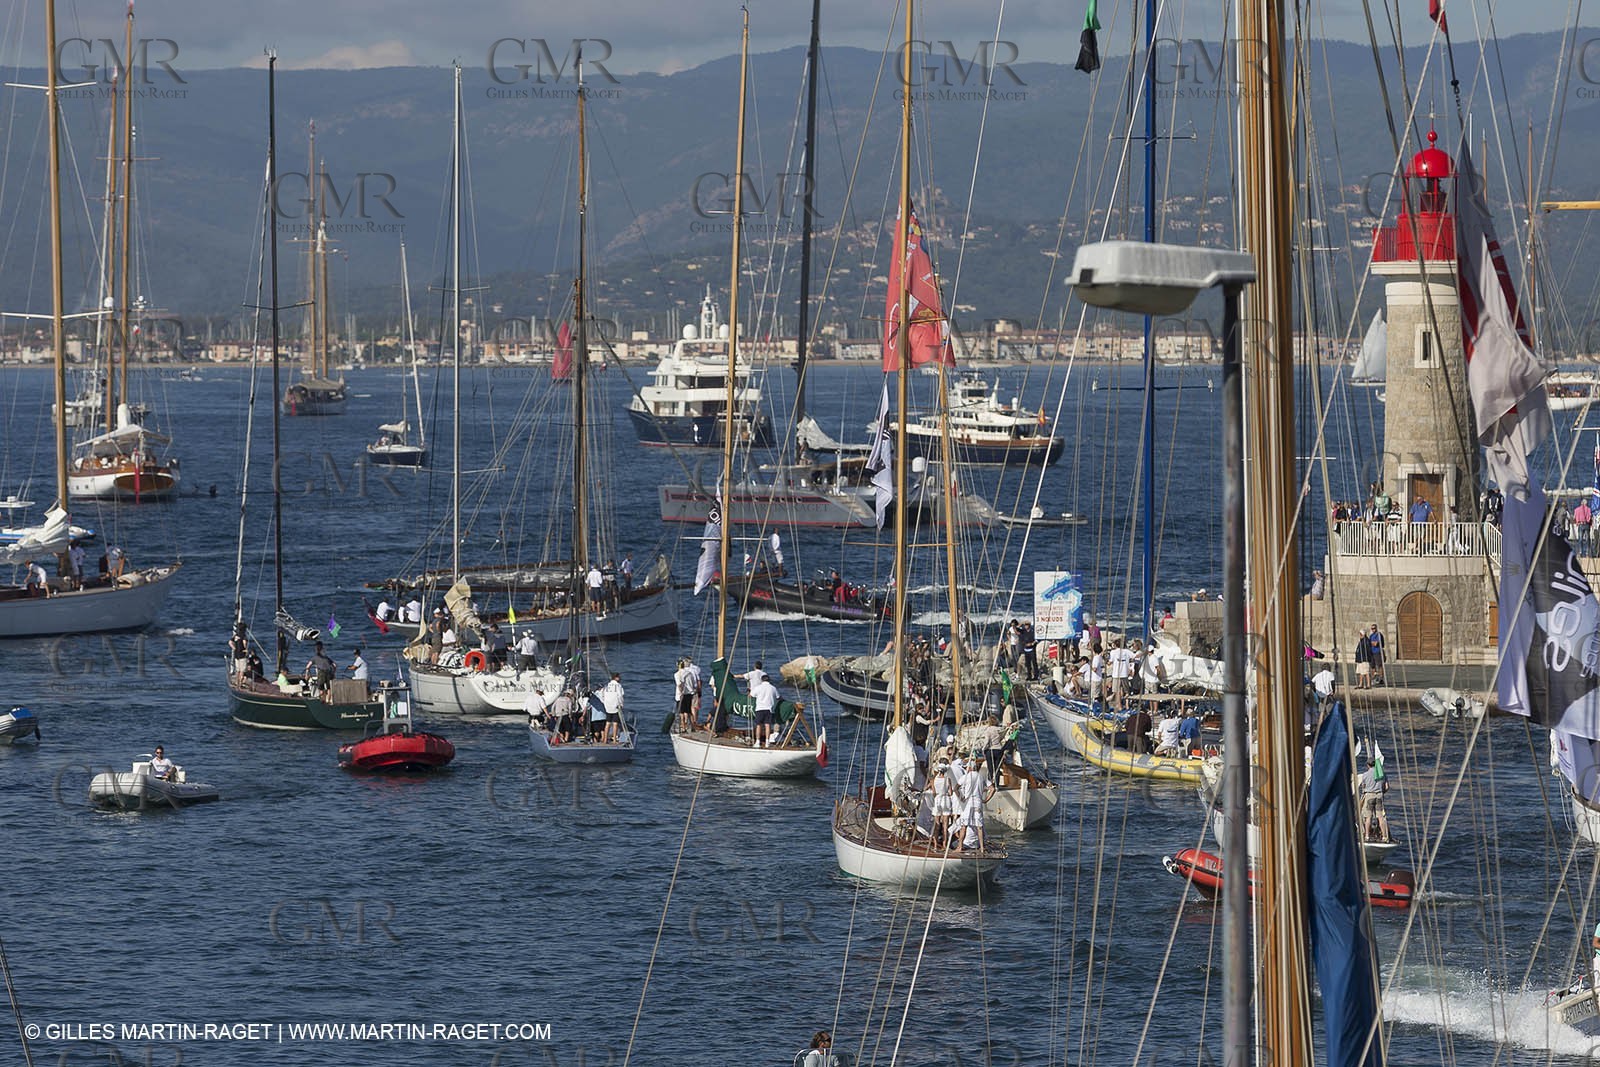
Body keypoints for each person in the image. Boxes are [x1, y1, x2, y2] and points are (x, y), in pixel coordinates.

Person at [1357, 757, 1389, 842]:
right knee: (1380, 817)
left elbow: (1363, 787)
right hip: (1379, 795)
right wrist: (1382, 792)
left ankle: (1367, 836)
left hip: (1369, 796)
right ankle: (1384, 837)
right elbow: (1386, 787)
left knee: (1368, 817)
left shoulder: (1365, 775)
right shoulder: (1382, 774)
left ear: (1368, 765)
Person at [751, 671, 781, 747]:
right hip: (769, 709)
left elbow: (751, 695)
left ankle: (757, 742)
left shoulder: (758, 687)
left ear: (762, 680)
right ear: (769, 680)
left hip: (760, 709)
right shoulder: (773, 688)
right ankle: (767, 742)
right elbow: (778, 697)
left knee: (758, 725)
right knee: (768, 725)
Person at [600, 672, 625, 744]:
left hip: (608, 706)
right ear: (616, 678)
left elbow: (602, 695)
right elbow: (620, 696)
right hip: (615, 706)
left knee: (607, 723)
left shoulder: (606, 686)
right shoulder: (618, 686)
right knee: (615, 723)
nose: (620, 678)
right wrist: (621, 704)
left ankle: (605, 739)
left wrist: (605, 702)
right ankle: (614, 740)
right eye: (619, 677)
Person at [673, 658, 697, 732]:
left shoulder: (677, 674)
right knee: (689, 711)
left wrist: (681, 692)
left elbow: (679, 684)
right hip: (690, 694)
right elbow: (694, 683)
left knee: (682, 712)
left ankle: (683, 727)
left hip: (681, 695)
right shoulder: (690, 673)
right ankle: (693, 726)